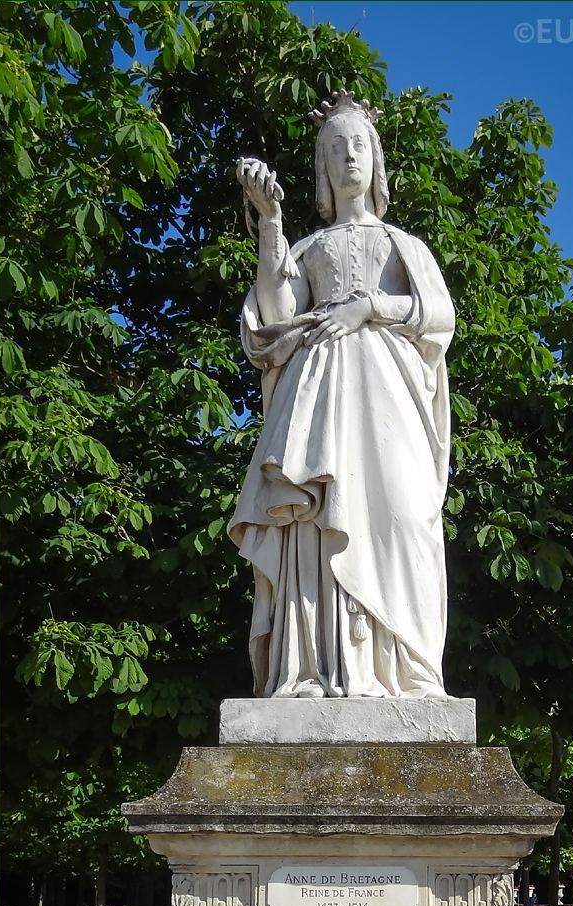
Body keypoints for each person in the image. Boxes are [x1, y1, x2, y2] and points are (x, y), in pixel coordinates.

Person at [230, 92, 455, 698]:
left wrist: (369, 308)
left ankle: (405, 668)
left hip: (391, 394)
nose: (348, 155)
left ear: (376, 160)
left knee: (402, 516)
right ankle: (315, 668)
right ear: (322, 168)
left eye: (358, 144)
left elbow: (438, 316)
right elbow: (273, 321)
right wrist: (271, 224)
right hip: (319, 397)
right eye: (335, 147)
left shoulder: (405, 246)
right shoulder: (306, 249)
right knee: (317, 514)